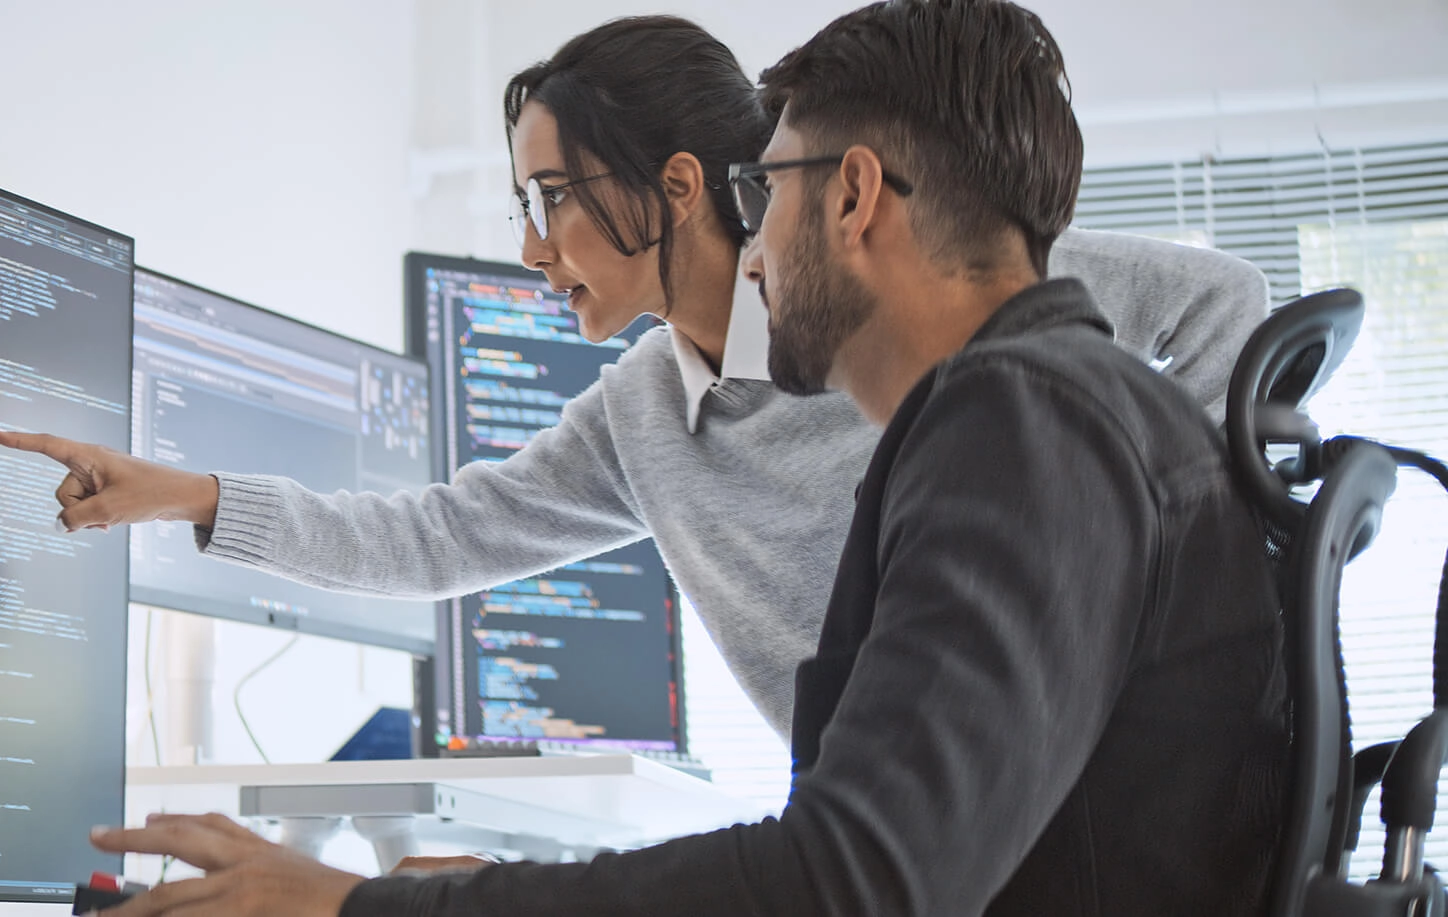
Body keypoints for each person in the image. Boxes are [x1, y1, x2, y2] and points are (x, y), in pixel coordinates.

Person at [82, 0, 1289, 913]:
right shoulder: (652, 412)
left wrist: (1146, 552)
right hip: (930, 815)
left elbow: (852, 874)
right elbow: (444, 531)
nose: (757, 238)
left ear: (846, 199)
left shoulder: (1020, 403)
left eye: (551, 196)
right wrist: (203, 498)